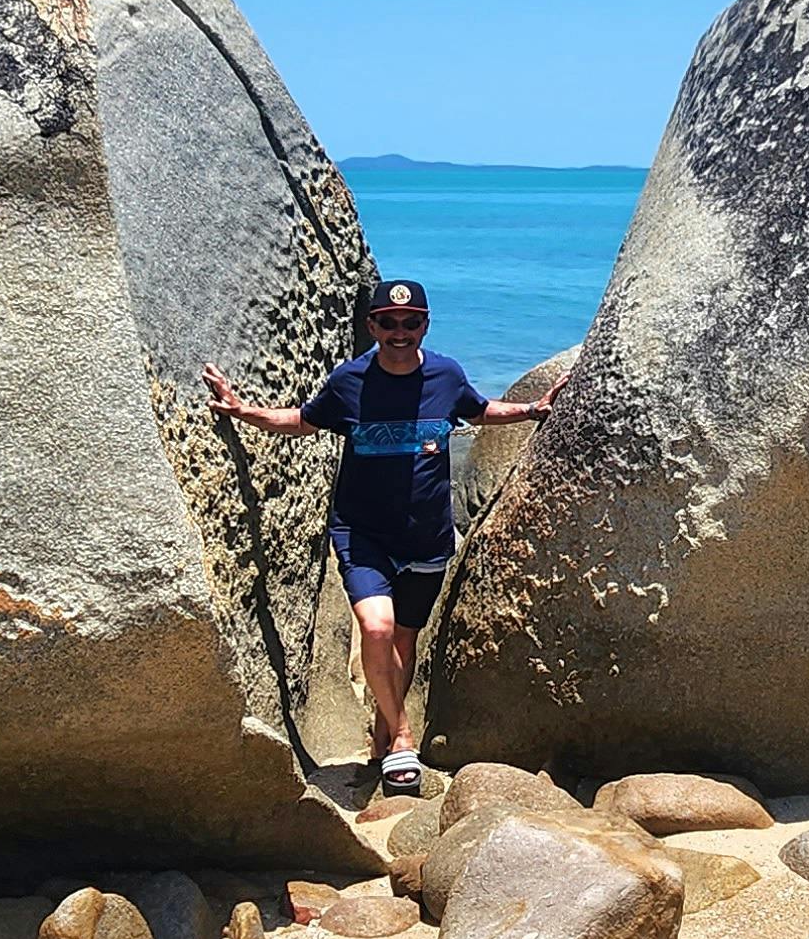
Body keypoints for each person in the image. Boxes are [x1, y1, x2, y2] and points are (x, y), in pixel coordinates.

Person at [202, 278, 557, 797]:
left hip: (428, 538)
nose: (398, 331)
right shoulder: (350, 381)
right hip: (362, 532)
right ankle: (404, 735)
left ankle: (383, 736)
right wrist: (245, 412)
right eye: (387, 322)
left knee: (404, 642)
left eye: (410, 321)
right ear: (371, 326)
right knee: (376, 629)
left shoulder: (445, 374)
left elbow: (479, 411)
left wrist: (529, 409)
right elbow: (303, 420)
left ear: (424, 325)